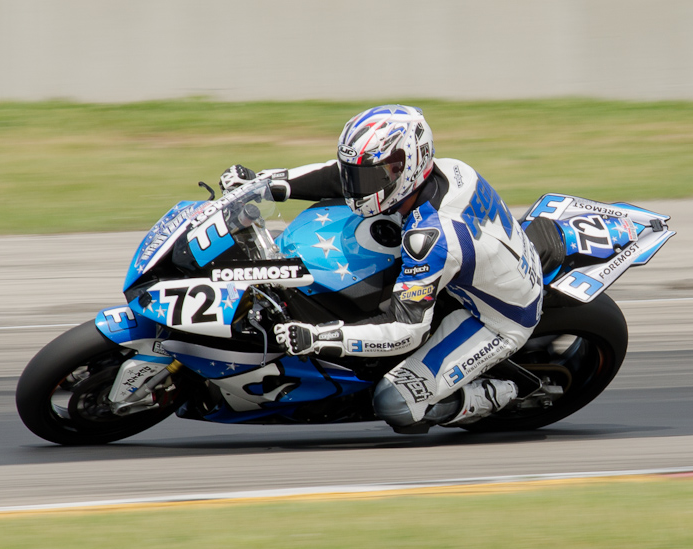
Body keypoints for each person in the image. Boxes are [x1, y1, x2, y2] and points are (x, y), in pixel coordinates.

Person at [218, 104, 542, 432]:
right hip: (478, 269)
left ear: (409, 166)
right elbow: (334, 177)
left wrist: (318, 337)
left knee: (395, 403)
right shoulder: (445, 170)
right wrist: (261, 184)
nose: (356, 187)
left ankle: (497, 394)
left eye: (369, 176)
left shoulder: (429, 239)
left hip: (496, 319)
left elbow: (406, 330)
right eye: (355, 174)